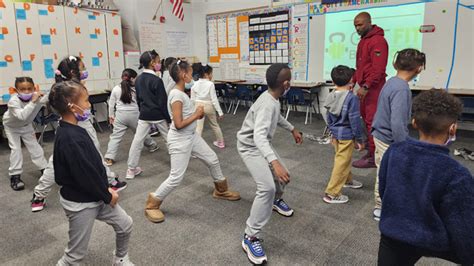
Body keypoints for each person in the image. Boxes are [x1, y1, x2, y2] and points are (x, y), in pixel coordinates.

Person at [377, 89, 474, 266]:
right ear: (453, 128)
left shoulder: (394, 151)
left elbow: (384, 191)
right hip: (433, 238)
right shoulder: (457, 174)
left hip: (394, 232)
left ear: (414, 123)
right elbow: (462, 228)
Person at [144, 60, 240, 223]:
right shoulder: (176, 95)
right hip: (180, 139)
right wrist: (197, 114)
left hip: (191, 136)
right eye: (190, 72)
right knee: (176, 177)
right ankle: (152, 205)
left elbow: (186, 117)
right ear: (183, 75)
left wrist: (197, 113)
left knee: (212, 159)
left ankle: (221, 191)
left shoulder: (181, 93)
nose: (192, 76)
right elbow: (179, 124)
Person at [49, 81, 134, 266]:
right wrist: (106, 195)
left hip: (97, 195)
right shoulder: (70, 138)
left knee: (125, 225)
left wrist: (105, 189)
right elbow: (83, 176)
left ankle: (120, 259)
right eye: (86, 101)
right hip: (81, 203)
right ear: (72, 106)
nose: (89, 105)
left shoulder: (76, 129)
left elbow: (92, 166)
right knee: (74, 256)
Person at [31, 56, 126, 212]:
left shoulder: (70, 87)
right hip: (72, 128)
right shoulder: (68, 88)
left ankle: (110, 180)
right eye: (83, 68)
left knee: (94, 153)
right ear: (74, 71)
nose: (85, 71)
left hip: (82, 125)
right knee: (56, 163)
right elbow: (48, 100)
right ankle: (39, 194)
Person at [237, 63, 303, 264]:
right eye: (289, 80)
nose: (290, 83)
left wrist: (292, 129)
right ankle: (250, 237)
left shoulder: (272, 99)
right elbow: (258, 137)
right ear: (285, 84)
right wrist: (274, 162)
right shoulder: (267, 103)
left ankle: (275, 200)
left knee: (282, 178)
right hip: (250, 147)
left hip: (261, 144)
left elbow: (277, 116)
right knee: (266, 187)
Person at [371, 48, 426, 221]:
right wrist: (404, 146)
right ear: (419, 68)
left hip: (381, 134)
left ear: (395, 63)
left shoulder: (392, 82)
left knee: (384, 169)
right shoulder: (402, 89)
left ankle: (382, 204)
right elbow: (397, 123)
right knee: (386, 172)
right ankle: (380, 207)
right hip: (388, 138)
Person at [323, 66, 365, 204]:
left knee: (343, 159)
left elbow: (327, 115)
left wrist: (331, 130)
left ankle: (347, 180)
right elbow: (355, 120)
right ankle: (332, 193)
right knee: (341, 162)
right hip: (346, 136)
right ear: (351, 80)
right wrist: (359, 138)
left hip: (335, 134)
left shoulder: (331, 94)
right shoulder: (351, 98)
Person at [125, 50, 170, 179]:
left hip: (144, 115)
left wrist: (143, 110)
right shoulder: (157, 80)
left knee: (137, 141)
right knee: (169, 140)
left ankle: (131, 169)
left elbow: (138, 99)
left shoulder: (138, 79)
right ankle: (178, 163)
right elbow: (163, 102)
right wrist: (168, 118)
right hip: (158, 115)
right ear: (152, 63)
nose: (159, 63)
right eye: (158, 61)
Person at [352, 12, 388, 169]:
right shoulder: (362, 42)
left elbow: (378, 69)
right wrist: (352, 82)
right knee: (366, 121)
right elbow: (361, 67)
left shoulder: (378, 41)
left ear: (369, 22)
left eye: (360, 24)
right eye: (355, 25)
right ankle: (370, 151)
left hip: (373, 89)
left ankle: (374, 158)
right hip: (364, 88)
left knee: (372, 122)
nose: (357, 28)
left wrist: (366, 86)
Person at [104, 69, 159, 166]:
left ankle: (109, 157)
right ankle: (152, 145)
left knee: (115, 137)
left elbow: (111, 104)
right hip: (135, 115)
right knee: (141, 133)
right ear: (133, 78)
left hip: (120, 116)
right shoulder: (137, 88)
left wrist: (111, 116)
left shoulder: (116, 88)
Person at [3, 77, 48, 191]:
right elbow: (22, 116)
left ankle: (45, 170)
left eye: (29, 88)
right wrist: (33, 101)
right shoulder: (13, 101)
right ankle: (15, 176)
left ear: (34, 87)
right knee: (16, 150)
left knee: (35, 147)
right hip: (12, 127)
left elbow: (51, 98)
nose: (27, 91)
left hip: (26, 126)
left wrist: (48, 94)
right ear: (16, 90)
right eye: (22, 89)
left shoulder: (37, 97)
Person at [191, 63, 225, 148]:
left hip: (198, 105)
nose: (212, 75)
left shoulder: (194, 84)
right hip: (208, 105)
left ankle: (196, 147)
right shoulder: (210, 84)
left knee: (198, 127)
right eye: (211, 73)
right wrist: (220, 112)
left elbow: (192, 99)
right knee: (214, 125)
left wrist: (192, 111)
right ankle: (220, 142)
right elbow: (214, 99)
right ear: (206, 74)